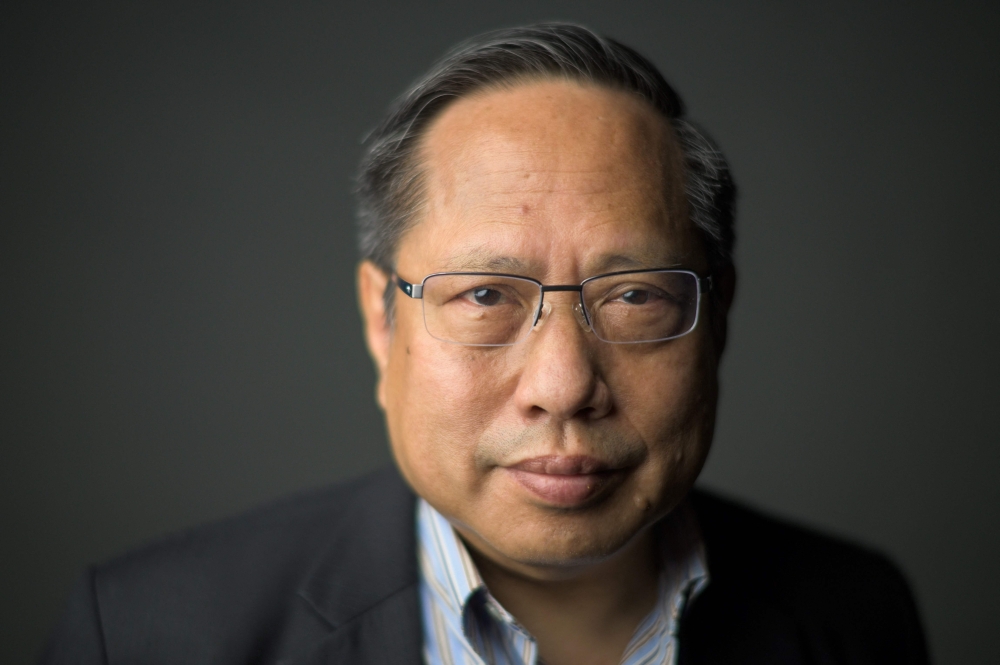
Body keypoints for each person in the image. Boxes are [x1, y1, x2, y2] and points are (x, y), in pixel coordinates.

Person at [40, 24, 929, 665]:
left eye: (634, 296)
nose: (563, 385)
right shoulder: (146, 634)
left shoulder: (854, 614)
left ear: (718, 317)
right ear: (380, 319)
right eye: (485, 296)